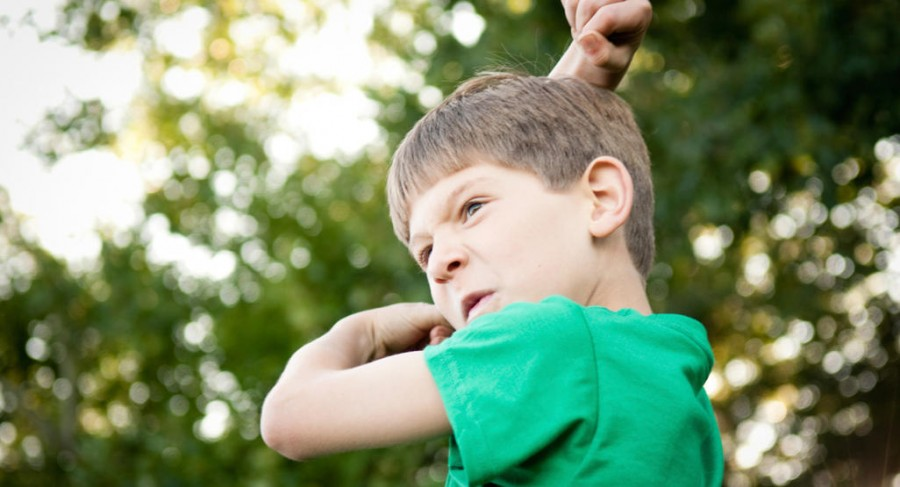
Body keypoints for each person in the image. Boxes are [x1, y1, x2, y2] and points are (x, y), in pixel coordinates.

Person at [261, 0, 724, 484]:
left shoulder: (550, 343)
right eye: (424, 252)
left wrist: (364, 333)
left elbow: (289, 418)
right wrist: (584, 72)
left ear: (602, 198)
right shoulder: (666, 368)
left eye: (472, 208)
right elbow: (551, 167)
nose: (440, 262)